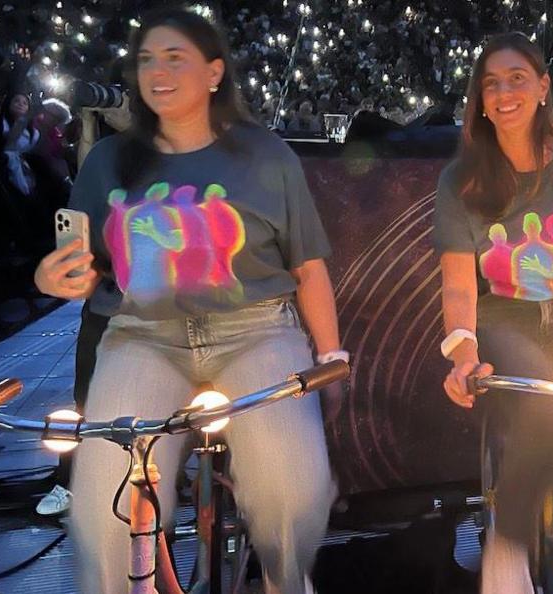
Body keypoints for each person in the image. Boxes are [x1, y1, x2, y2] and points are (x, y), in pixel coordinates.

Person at [32, 9, 344, 593]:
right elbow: (81, 264)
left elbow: (308, 266)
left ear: (214, 72)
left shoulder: (266, 155)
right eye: (147, 59)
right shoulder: (107, 163)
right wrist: (53, 279)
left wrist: (331, 356)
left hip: (257, 330)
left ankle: (285, 579)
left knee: (292, 487)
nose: (158, 71)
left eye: (175, 57)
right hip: (142, 336)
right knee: (102, 505)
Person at [433, 32, 553, 593]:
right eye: (490, 83)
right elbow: (458, 288)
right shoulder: (460, 178)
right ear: (480, 99)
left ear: (543, 87)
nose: (504, 92)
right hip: (504, 320)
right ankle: (507, 548)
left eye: (517, 78)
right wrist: (463, 353)